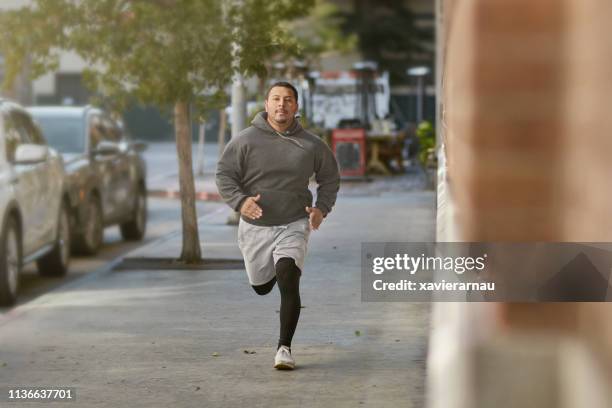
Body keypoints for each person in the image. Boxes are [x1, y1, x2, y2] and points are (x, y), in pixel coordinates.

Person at [215, 82, 340, 370]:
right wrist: (240, 201)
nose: (281, 104)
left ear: (296, 106)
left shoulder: (312, 144)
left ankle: (284, 348)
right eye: (276, 99)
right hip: (256, 226)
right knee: (261, 287)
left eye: (287, 100)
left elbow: (330, 178)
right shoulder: (245, 140)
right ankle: (267, 270)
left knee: (287, 274)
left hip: (293, 222)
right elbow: (224, 174)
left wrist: (321, 208)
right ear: (267, 104)